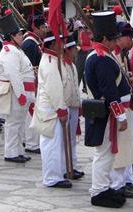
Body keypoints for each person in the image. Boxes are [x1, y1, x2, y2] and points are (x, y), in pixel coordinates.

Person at [84, 11, 128, 208]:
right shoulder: (101, 58)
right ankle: (99, 190)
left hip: (105, 111)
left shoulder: (99, 55)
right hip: (106, 113)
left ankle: (102, 186)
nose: (114, 42)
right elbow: (109, 91)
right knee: (104, 153)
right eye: (111, 39)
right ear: (103, 38)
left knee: (106, 153)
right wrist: (121, 116)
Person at [30, 32, 71, 188]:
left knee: (54, 144)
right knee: (51, 145)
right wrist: (61, 110)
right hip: (51, 110)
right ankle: (52, 177)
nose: (63, 45)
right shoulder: (51, 62)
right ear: (53, 44)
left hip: (51, 109)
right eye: (61, 42)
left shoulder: (53, 60)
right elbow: (55, 90)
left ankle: (57, 174)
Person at [0, 13, 35, 163]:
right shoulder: (10, 52)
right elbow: (14, 76)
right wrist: (21, 95)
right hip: (16, 93)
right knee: (13, 124)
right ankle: (11, 152)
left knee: (18, 124)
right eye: (19, 34)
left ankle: (18, 150)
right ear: (11, 36)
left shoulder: (16, 50)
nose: (22, 36)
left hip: (23, 91)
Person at [109, 22, 133, 199]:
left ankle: (128, 178)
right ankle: (120, 182)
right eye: (130, 37)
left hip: (127, 105)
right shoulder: (112, 55)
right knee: (120, 148)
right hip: (119, 107)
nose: (132, 41)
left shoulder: (120, 55)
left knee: (128, 146)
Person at [21, 14, 47, 154]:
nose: (44, 29)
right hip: (31, 82)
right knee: (31, 113)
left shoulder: (33, 42)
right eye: (42, 27)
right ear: (35, 28)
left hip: (34, 80)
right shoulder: (30, 44)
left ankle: (31, 140)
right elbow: (29, 67)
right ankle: (31, 143)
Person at [62, 35, 84, 179]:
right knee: (66, 140)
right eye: (74, 49)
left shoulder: (72, 65)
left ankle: (72, 165)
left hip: (74, 105)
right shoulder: (62, 66)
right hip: (67, 106)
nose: (76, 51)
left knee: (72, 140)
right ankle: (65, 167)